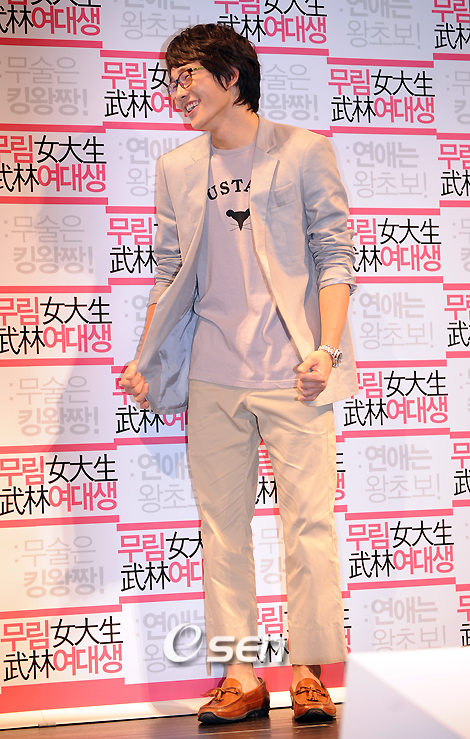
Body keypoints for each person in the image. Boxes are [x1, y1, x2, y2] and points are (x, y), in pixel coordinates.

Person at [120, 23, 358, 725]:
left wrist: (326, 351)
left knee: (308, 524)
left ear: (231, 78)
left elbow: (335, 257)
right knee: (221, 530)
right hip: (213, 373)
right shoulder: (176, 168)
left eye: (187, 76)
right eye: (170, 80)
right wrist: (146, 358)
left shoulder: (304, 151)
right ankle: (240, 676)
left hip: (296, 372)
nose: (176, 91)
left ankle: (310, 675)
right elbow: (169, 273)